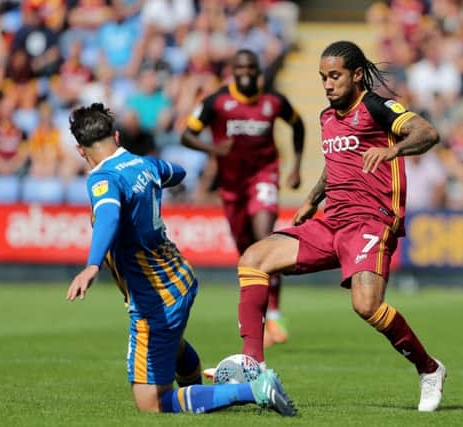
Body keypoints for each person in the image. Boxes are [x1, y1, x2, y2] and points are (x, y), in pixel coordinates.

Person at [236, 41, 446, 412]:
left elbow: (427, 133)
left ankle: (429, 369)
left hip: (371, 220)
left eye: (334, 76)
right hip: (332, 220)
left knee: (366, 306)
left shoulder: (376, 107)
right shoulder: (326, 117)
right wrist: (313, 200)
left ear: (356, 75)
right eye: (323, 78)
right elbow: (336, 163)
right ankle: (255, 370)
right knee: (253, 259)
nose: (328, 84)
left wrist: (392, 149)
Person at [65, 103, 296, 417]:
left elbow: (108, 214)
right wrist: (154, 180)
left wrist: (92, 264)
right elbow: (177, 172)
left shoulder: (102, 179)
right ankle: (199, 398)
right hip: (181, 278)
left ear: (81, 150)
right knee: (171, 347)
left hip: (154, 296)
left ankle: (254, 389)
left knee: (151, 404)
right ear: (116, 136)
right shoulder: (145, 165)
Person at [181, 49, 305, 347]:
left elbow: (298, 125)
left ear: (258, 70)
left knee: (265, 239)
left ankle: (273, 314)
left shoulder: (273, 101)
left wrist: (296, 166)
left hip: (264, 175)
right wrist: (213, 150)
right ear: (233, 72)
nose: (246, 72)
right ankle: (262, 312)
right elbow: (186, 135)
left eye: (251, 67)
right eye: (241, 68)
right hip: (232, 185)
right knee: (246, 250)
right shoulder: (217, 101)